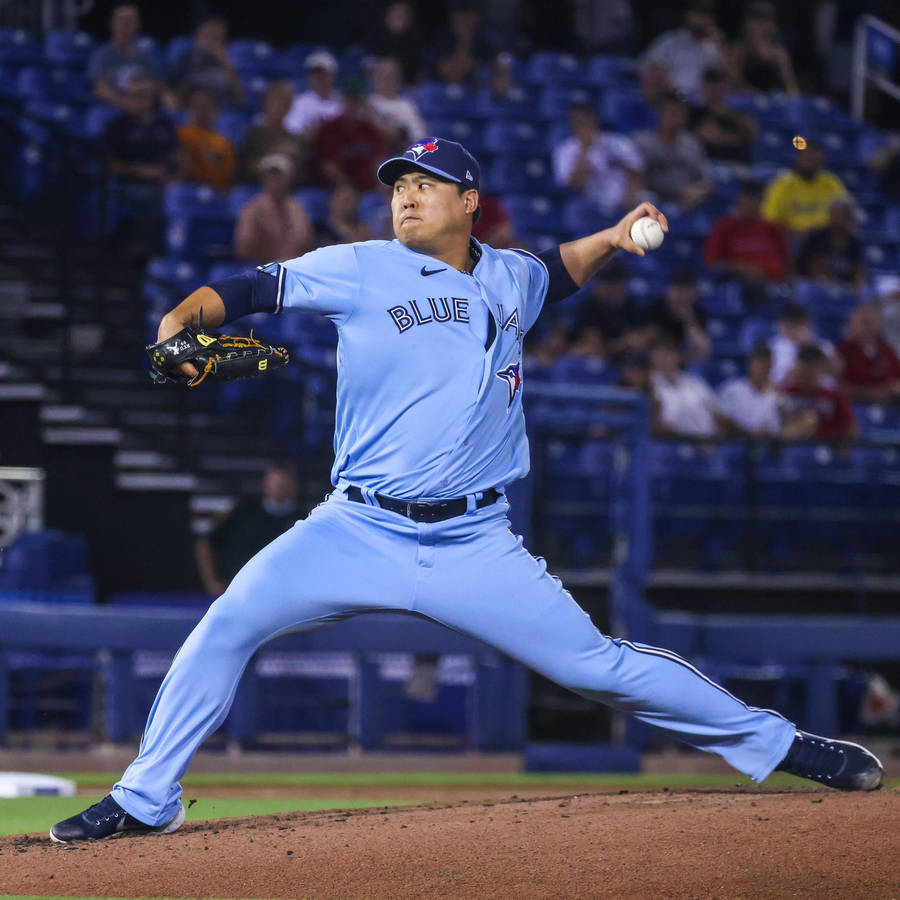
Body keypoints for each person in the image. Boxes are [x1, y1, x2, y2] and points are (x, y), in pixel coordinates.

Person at [50, 136, 882, 843]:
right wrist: (176, 323)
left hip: (474, 543)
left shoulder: (511, 277)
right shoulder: (361, 268)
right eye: (398, 188)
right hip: (356, 527)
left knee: (598, 667)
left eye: (424, 185)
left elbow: (557, 271)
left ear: (470, 201)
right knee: (228, 621)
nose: (405, 199)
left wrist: (619, 234)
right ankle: (143, 798)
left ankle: (783, 746)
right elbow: (243, 291)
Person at [195, 463, 299, 597]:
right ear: (265, 485)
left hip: (284, 595)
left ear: (293, 486)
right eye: (274, 483)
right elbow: (205, 543)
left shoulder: (305, 518)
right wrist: (212, 582)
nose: (279, 488)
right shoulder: (244, 511)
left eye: (283, 483)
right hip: (236, 593)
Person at [102, 76, 178, 261]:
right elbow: (109, 165)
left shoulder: (164, 124)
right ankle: (149, 251)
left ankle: (177, 254)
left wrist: (174, 179)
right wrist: (141, 171)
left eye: (143, 95)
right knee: (148, 197)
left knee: (180, 196)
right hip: (128, 183)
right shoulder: (118, 125)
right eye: (133, 95)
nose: (138, 100)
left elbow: (179, 157)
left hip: (164, 182)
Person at [552, 103, 644, 216]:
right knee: (576, 209)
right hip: (590, 205)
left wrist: (630, 195)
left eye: (586, 120)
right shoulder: (565, 150)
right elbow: (573, 185)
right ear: (571, 124)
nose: (583, 125)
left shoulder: (617, 142)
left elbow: (637, 170)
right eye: (578, 122)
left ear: (594, 120)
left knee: (651, 203)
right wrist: (584, 150)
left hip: (625, 200)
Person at [703, 179, 791, 285]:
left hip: (775, 286)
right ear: (740, 200)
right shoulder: (724, 227)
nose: (753, 204)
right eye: (749, 199)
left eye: (757, 200)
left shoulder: (773, 228)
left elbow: (787, 262)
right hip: (738, 286)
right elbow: (712, 263)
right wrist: (740, 268)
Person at [634, 92, 711, 210]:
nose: (676, 117)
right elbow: (635, 180)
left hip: (685, 201)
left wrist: (695, 191)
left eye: (680, 113)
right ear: (660, 114)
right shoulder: (643, 142)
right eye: (671, 112)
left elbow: (705, 181)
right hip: (653, 200)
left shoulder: (692, 143)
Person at [234, 153, 316, 263]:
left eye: (279, 175)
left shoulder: (297, 208)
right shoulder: (252, 209)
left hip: (293, 269)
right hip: (263, 269)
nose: (274, 179)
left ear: (289, 178)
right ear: (263, 178)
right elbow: (243, 249)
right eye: (270, 175)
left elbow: (306, 242)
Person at [639, 1, 725, 99]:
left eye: (707, 13)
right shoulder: (670, 41)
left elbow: (730, 80)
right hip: (672, 100)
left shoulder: (715, 46)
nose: (702, 18)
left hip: (704, 103)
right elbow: (644, 69)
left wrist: (721, 47)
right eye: (697, 12)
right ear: (687, 14)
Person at [761, 140, 848, 237]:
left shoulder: (832, 183)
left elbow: (846, 215)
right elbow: (770, 220)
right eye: (806, 155)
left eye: (813, 154)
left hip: (825, 240)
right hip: (791, 239)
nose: (810, 158)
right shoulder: (782, 184)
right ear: (797, 157)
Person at [312, 82, 387, 193]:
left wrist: (381, 184)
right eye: (349, 100)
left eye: (356, 101)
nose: (353, 105)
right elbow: (328, 166)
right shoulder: (329, 130)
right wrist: (346, 187)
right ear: (342, 101)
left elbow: (379, 161)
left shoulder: (371, 130)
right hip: (335, 189)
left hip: (368, 189)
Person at [88, 3, 163, 109]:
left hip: (145, 107)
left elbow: (157, 84)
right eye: (122, 20)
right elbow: (101, 88)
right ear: (111, 24)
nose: (126, 24)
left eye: (130, 20)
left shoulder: (147, 52)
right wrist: (125, 103)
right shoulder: (101, 54)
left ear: (138, 24)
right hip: (114, 108)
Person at [569, 260, 645, 362]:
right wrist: (625, 342)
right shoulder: (589, 307)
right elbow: (598, 349)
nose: (607, 288)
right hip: (591, 362)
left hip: (627, 363)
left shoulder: (629, 304)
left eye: (614, 283)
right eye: (604, 282)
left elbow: (640, 338)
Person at [779, 343, 857, 441]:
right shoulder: (787, 392)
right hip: (795, 446)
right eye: (804, 366)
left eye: (813, 366)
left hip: (828, 449)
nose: (808, 372)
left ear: (821, 367)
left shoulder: (834, 395)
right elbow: (779, 426)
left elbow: (850, 427)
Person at [238, 80, 307, 186]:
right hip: (256, 188)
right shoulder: (253, 135)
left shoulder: (295, 139)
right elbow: (245, 169)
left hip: (288, 190)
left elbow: (300, 173)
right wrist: (273, 154)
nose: (280, 107)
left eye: (285, 103)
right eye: (276, 101)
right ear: (266, 104)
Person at [650, 337, 722, 437]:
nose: (665, 358)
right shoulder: (648, 384)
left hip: (708, 442)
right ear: (651, 357)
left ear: (679, 356)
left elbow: (717, 414)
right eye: (660, 353)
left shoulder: (695, 383)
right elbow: (655, 424)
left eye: (669, 352)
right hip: (670, 443)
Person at [168, 15, 243, 110]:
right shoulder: (185, 61)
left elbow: (239, 100)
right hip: (191, 114)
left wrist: (225, 62)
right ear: (197, 37)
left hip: (219, 114)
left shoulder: (227, 65)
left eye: (216, 38)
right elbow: (175, 99)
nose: (211, 43)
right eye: (208, 36)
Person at [689, 66, 758, 165]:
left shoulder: (736, 111)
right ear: (703, 88)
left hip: (741, 164)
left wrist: (728, 115)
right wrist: (739, 139)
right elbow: (712, 137)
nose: (714, 91)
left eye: (717, 86)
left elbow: (753, 133)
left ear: (725, 88)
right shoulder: (695, 113)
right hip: (711, 165)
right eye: (710, 85)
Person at [729, 2, 799, 96]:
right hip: (747, 100)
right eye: (757, 22)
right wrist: (758, 96)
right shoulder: (739, 50)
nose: (761, 26)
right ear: (747, 24)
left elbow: (790, 86)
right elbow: (734, 82)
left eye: (765, 21)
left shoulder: (778, 52)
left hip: (774, 102)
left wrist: (792, 100)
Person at [642, 269, 711, 363]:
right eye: (677, 289)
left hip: (682, 362)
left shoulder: (698, 313)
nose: (680, 294)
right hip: (654, 361)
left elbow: (703, 348)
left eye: (686, 290)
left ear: (694, 293)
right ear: (668, 290)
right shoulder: (656, 308)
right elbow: (644, 340)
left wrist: (688, 318)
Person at [797, 196, 865, 290]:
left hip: (844, 288)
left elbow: (858, 271)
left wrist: (856, 288)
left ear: (849, 218)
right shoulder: (816, 236)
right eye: (834, 215)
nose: (837, 219)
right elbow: (813, 268)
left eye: (842, 216)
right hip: (814, 285)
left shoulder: (853, 241)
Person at [836, 302, 900, 403]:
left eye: (872, 322)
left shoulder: (886, 349)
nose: (868, 327)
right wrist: (872, 393)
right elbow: (838, 385)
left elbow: (897, 376)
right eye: (864, 322)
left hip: (889, 404)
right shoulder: (842, 350)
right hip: (856, 404)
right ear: (853, 323)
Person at [177, 88, 236, 192]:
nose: (201, 111)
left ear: (215, 109)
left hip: (218, 193)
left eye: (205, 106)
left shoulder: (223, 142)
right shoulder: (183, 134)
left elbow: (228, 174)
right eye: (196, 106)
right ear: (189, 110)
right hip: (190, 189)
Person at [717, 344, 782, 436]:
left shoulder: (775, 395)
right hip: (735, 440)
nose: (762, 370)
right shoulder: (733, 389)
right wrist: (747, 432)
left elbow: (776, 427)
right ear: (750, 365)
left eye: (766, 365)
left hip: (766, 444)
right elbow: (721, 419)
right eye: (759, 364)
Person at [768, 301, 837, 385]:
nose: (792, 328)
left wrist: (807, 344)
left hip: (820, 393)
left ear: (807, 323)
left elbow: (836, 372)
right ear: (781, 323)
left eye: (797, 323)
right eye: (789, 323)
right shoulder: (771, 347)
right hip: (786, 393)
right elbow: (770, 379)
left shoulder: (824, 345)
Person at [368, 57, 427, 151]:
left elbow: (421, 137)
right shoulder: (368, 103)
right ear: (374, 78)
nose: (387, 79)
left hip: (410, 153)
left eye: (392, 75)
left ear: (399, 79)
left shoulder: (408, 105)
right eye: (383, 75)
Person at [283, 51, 343, 138]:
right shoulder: (298, 102)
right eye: (314, 74)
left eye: (323, 74)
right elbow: (291, 130)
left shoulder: (343, 102)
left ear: (333, 75)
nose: (319, 78)